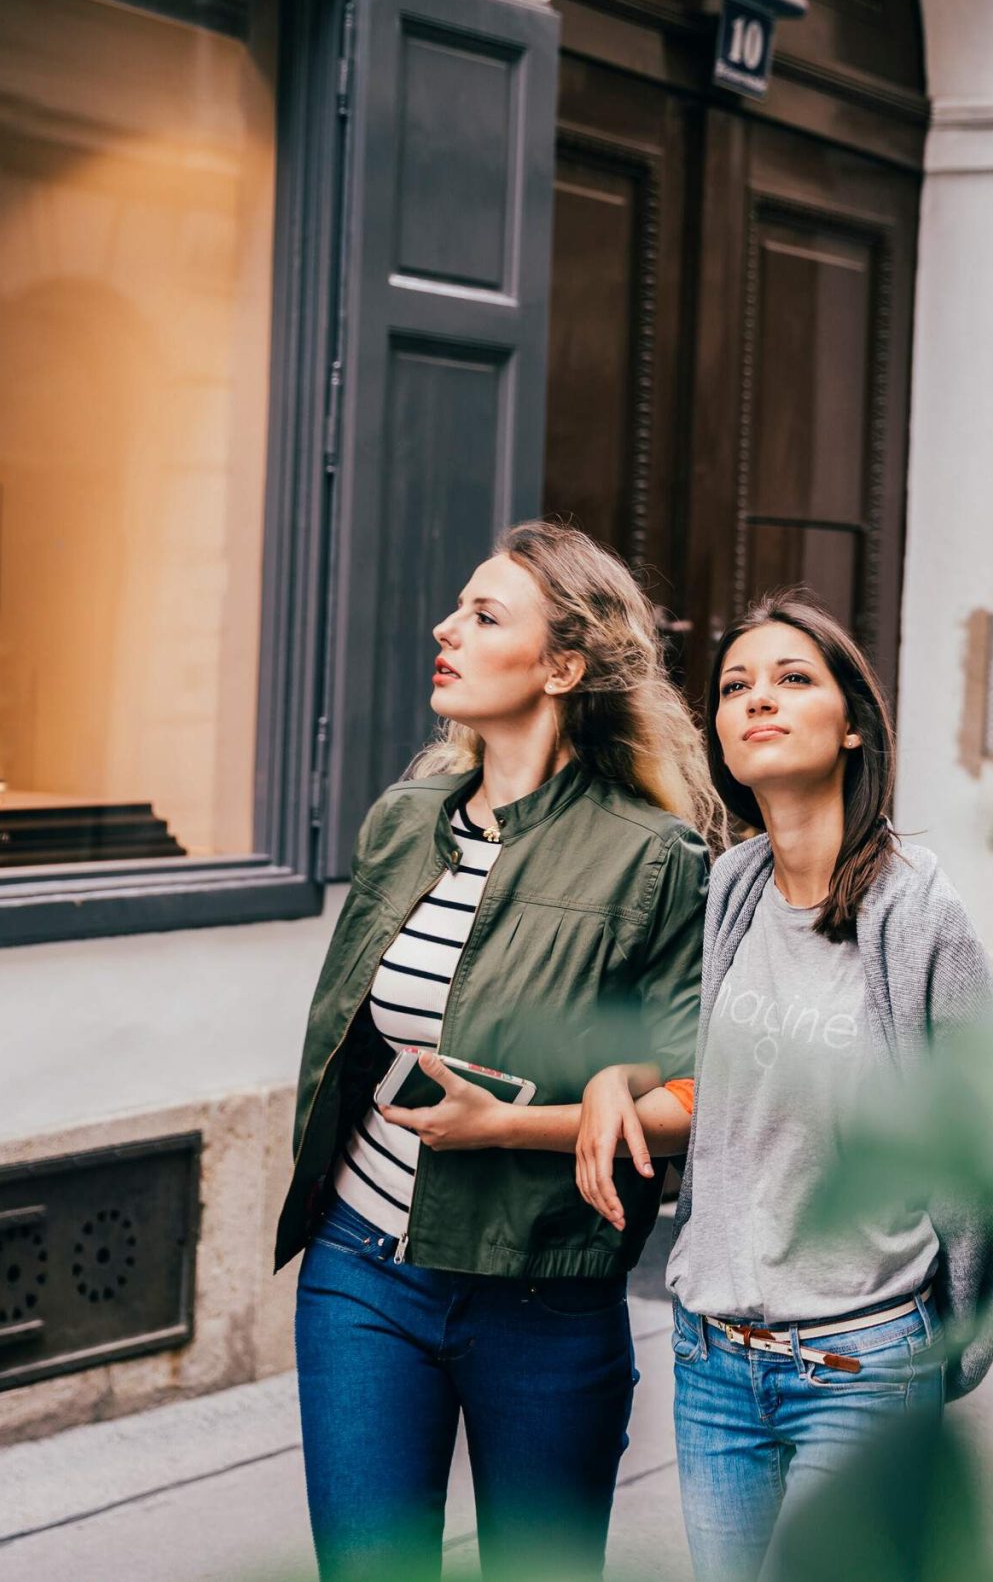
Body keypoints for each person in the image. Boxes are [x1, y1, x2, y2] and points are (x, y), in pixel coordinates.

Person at [275, 520, 721, 1581]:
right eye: (458, 609)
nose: (446, 628)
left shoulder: (655, 859)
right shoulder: (404, 822)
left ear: (562, 666)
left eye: (484, 615)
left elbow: (705, 1092)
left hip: (541, 1293)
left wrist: (512, 1125)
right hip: (361, 1275)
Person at [574, 591, 993, 1582]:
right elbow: (699, 1078)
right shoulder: (730, 890)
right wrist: (617, 1077)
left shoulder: (917, 913)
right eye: (736, 686)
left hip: (859, 1366)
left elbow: (987, 1152)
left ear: (853, 722)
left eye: (792, 678)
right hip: (712, 1364)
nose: (757, 701)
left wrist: (949, 1346)